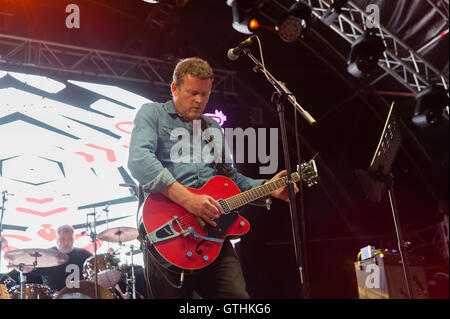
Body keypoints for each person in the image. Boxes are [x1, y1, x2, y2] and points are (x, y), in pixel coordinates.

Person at [127, 57, 298, 298]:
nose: (199, 100)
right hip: (168, 234)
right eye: (192, 92)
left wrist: (267, 188)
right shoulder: (152, 114)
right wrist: (188, 200)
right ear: (174, 88)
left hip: (213, 236)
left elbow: (232, 178)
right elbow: (139, 160)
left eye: (205, 94)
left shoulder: (212, 128)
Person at [37, 224, 92, 291]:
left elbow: (98, 267)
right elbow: (33, 271)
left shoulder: (84, 254)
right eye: (62, 239)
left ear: (74, 239)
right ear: (56, 239)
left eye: (70, 239)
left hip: (78, 295)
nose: (66, 242)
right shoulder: (47, 255)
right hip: (52, 296)